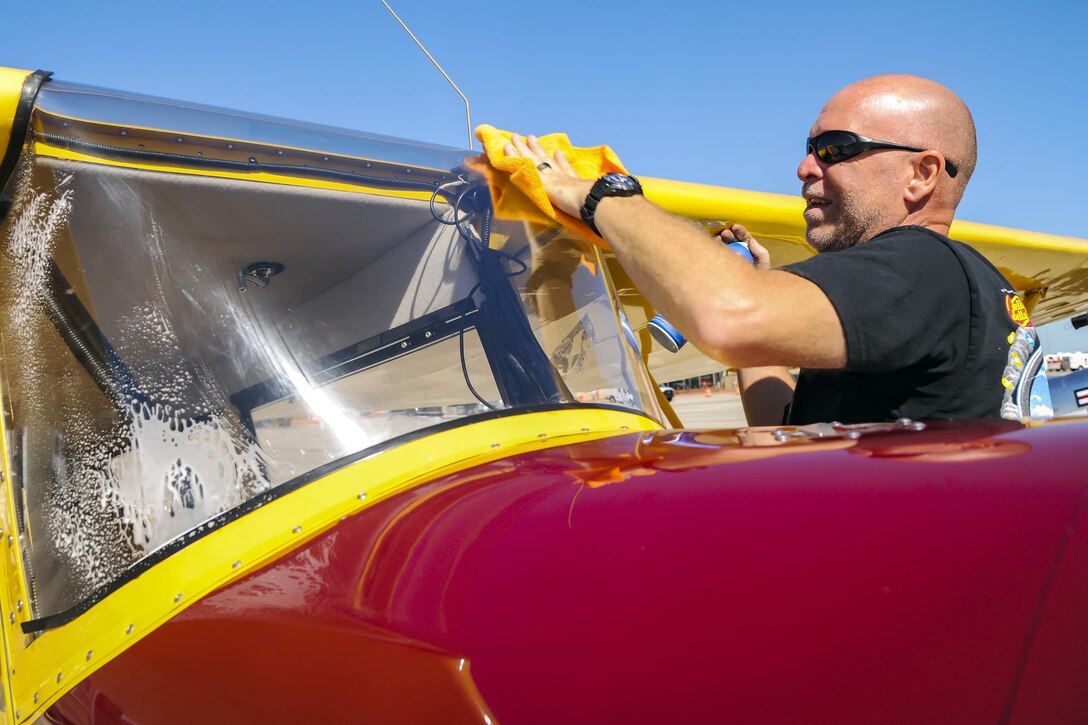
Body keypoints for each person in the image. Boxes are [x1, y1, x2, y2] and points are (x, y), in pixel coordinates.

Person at [501, 74, 1051, 425]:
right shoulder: (962, 283)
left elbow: (730, 316)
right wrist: (760, 291)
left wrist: (600, 194)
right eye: (810, 150)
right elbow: (787, 427)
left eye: (835, 149)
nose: (805, 167)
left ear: (921, 173)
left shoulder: (921, 268)